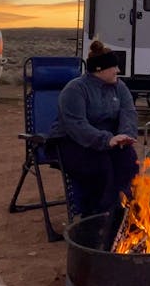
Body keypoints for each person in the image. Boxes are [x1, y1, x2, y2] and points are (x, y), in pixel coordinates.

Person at [49, 40, 139, 217]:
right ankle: (96, 215)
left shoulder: (119, 87)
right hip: (72, 142)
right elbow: (76, 126)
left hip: (109, 141)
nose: (118, 71)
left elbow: (129, 113)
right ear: (99, 69)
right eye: (114, 67)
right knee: (100, 165)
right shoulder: (75, 89)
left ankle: (121, 208)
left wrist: (124, 136)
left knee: (128, 159)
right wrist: (106, 140)